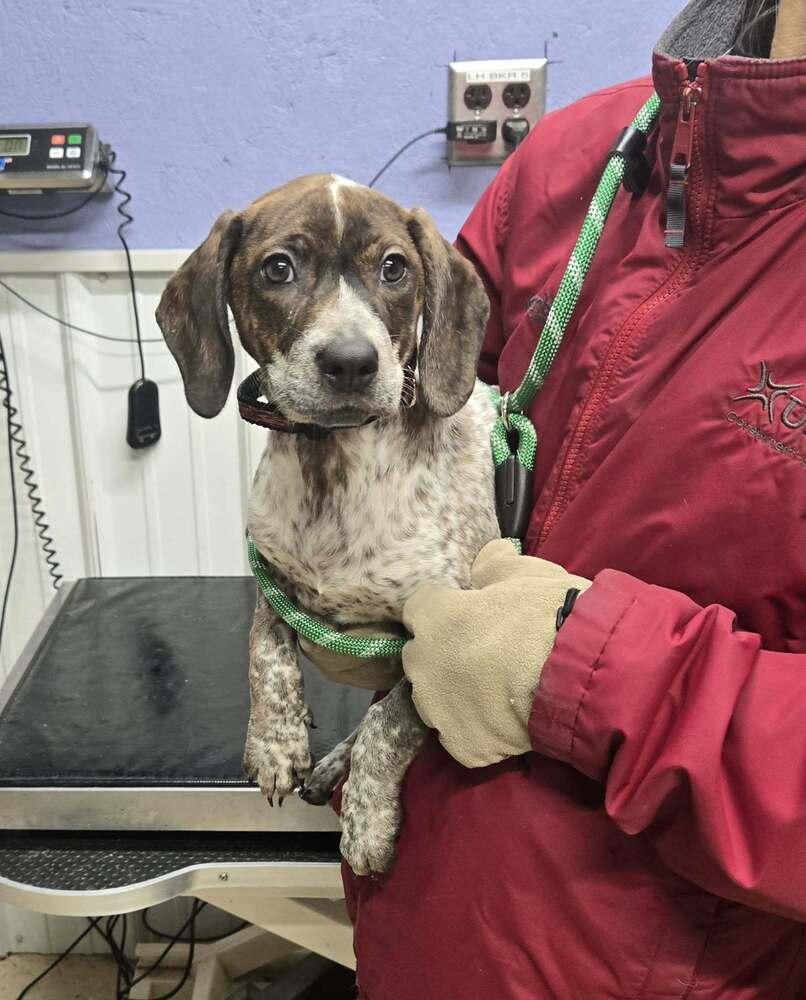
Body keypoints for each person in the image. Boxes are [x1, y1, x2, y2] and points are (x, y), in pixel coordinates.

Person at [313, 0, 806, 995]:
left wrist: (578, 664)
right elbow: (424, 391)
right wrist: (335, 514)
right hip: (422, 917)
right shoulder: (581, 155)